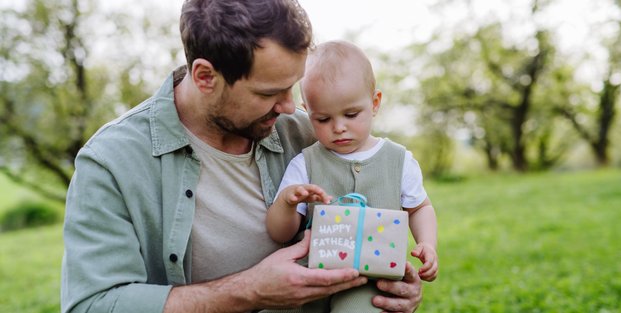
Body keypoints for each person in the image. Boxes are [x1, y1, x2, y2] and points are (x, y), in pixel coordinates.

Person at [61, 1, 423, 313]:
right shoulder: (111, 162)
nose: (287, 107)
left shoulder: (308, 132)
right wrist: (249, 290)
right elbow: (93, 304)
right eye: (269, 92)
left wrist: (394, 287)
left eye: (292, 87)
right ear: (205, 76)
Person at [266, 40, 438, 312]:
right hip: (310, 277)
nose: (339, 128)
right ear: (307, 112)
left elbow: (420, 208)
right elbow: (279, 232)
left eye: (351, 114)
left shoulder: (398, 160)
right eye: (322, 119)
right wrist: (287, 203)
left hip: (370, 279)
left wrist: (427, 243)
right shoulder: (305, 163)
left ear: (375, 103)